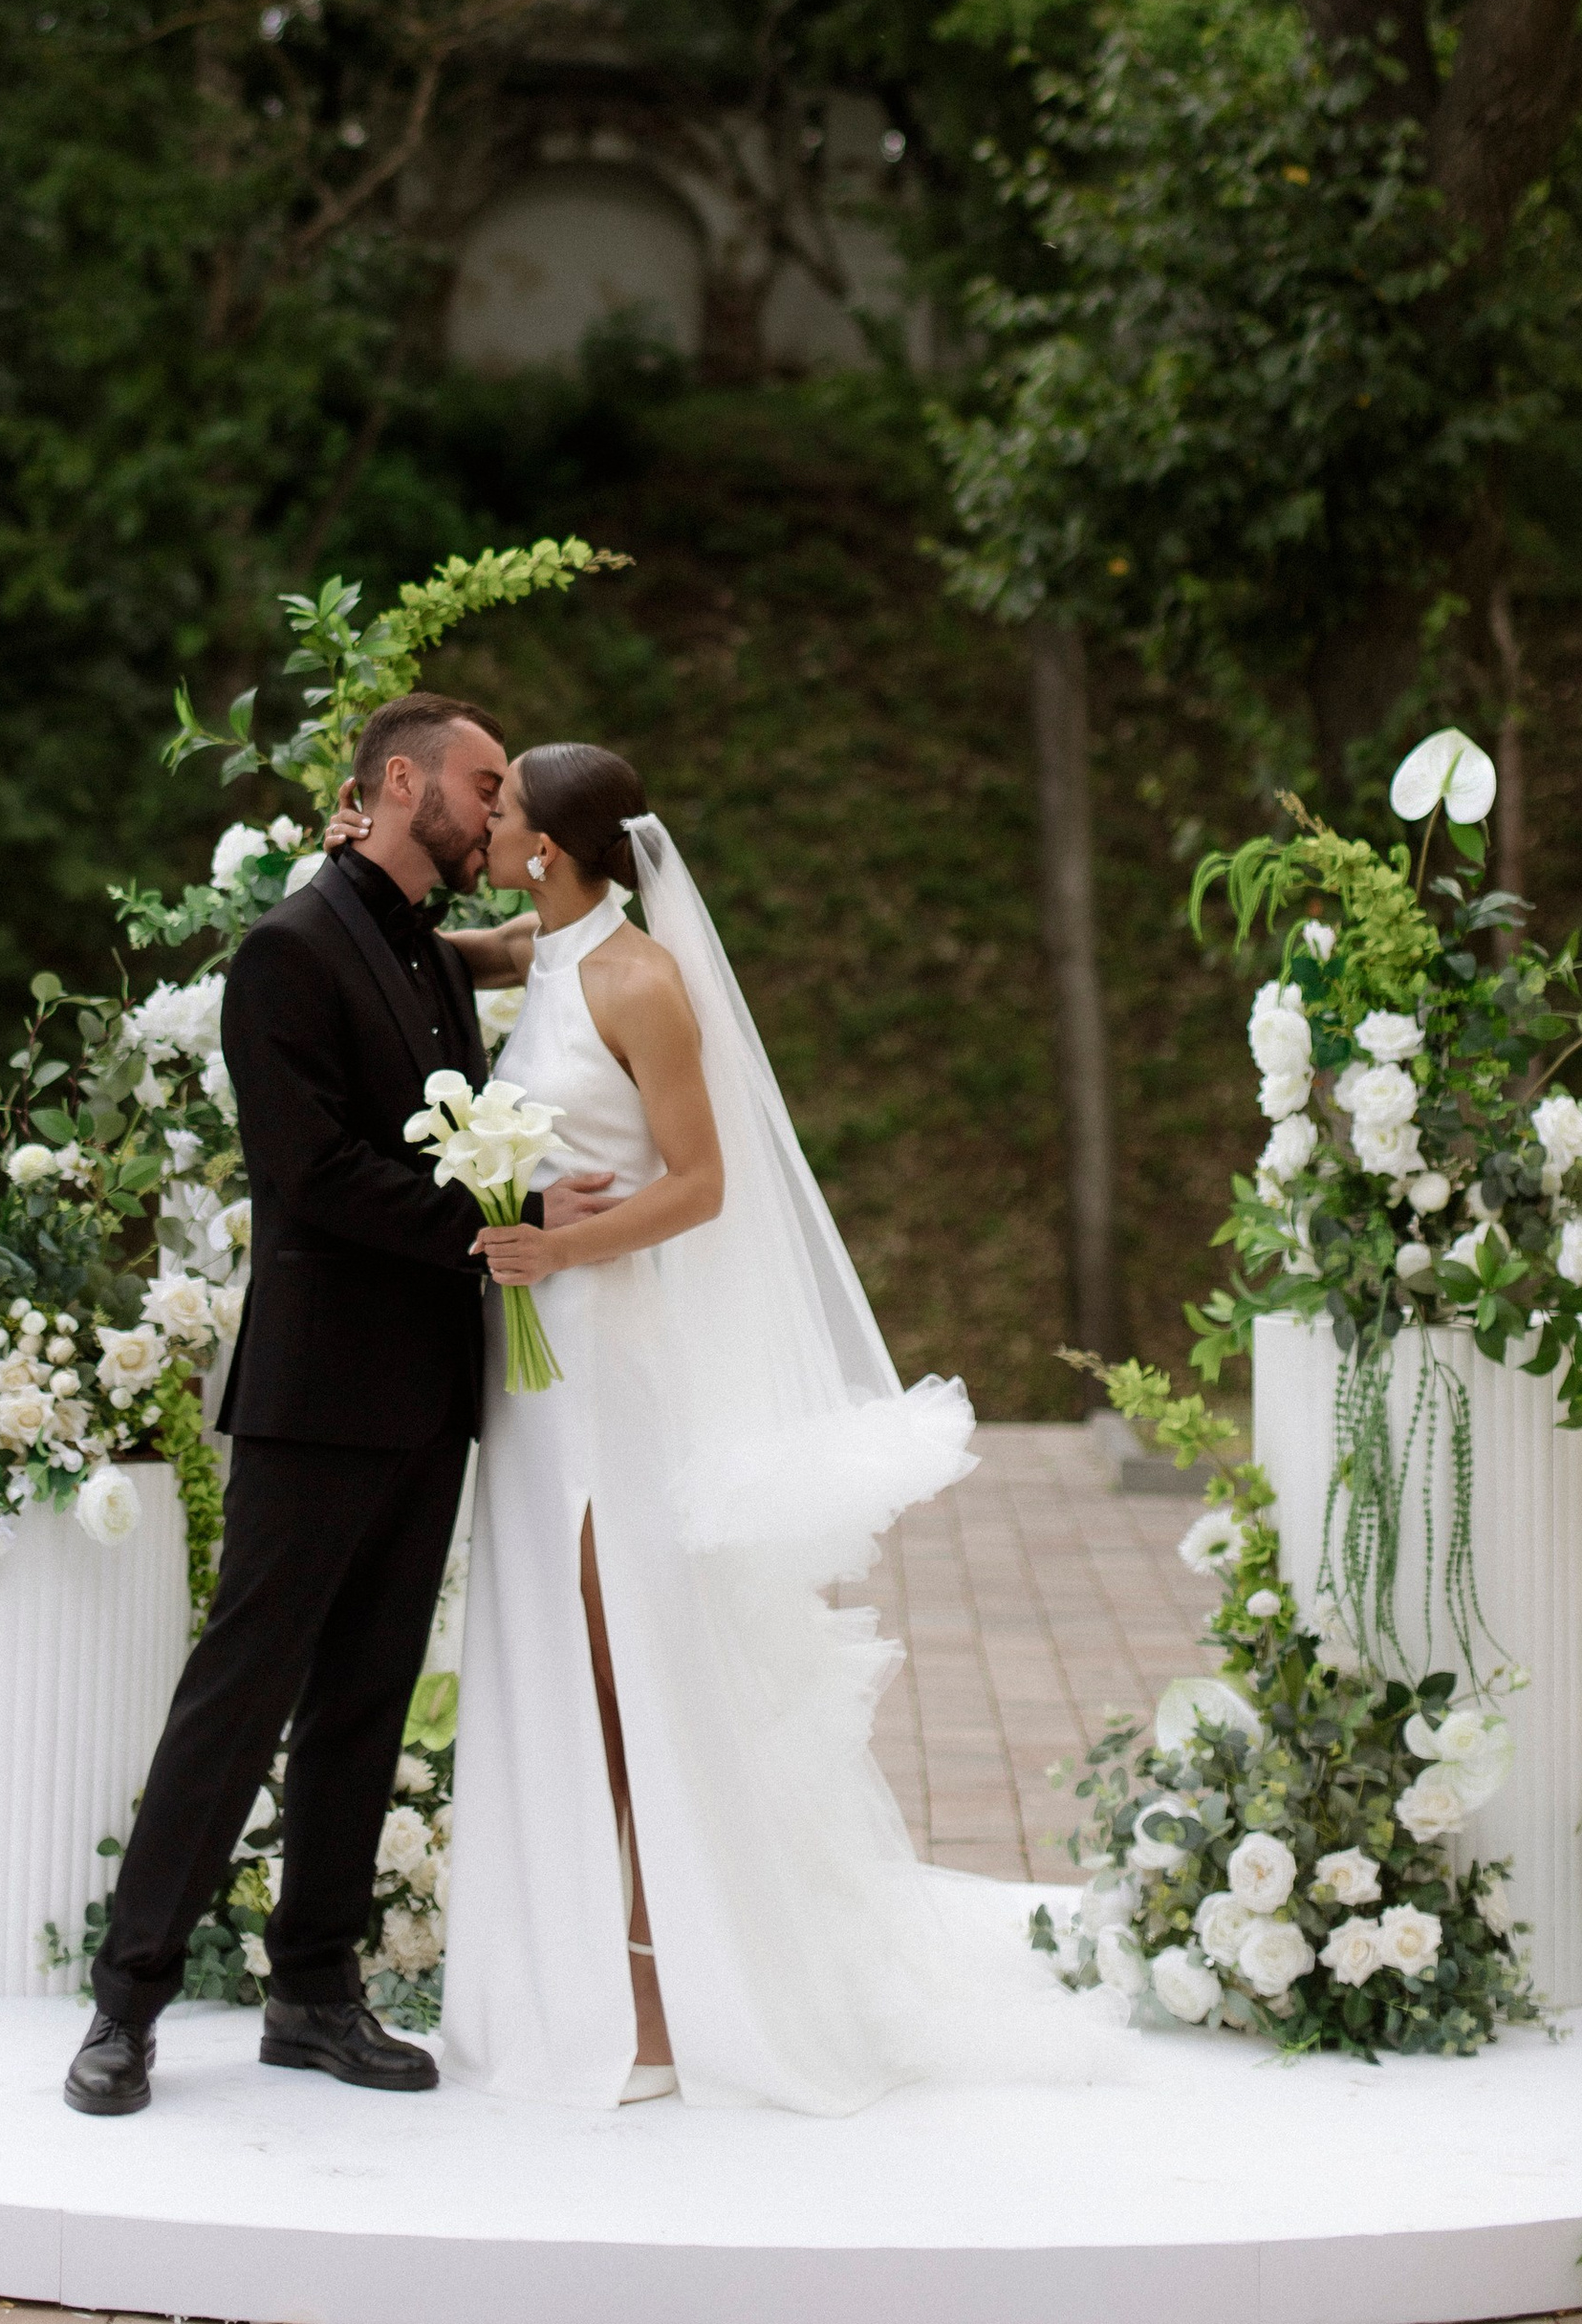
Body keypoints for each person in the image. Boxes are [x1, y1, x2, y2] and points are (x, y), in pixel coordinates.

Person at [354, 739, 1102, 2112]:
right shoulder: (553, 940)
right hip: (534, 1366)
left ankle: (658, 1994)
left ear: (555, 842)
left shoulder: (642, 977)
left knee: (629, 1645)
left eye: (506, 804)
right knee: (554, 1649)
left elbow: (699, 1186)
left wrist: (554, 1253)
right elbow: (470, 950)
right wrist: (351, 883)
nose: (490, 814)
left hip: (609, 1354)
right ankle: (554, 1967)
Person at [64, 690, 619, 2118]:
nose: (497, 806)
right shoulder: (288, 951)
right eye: (481, 781)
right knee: (240, 1696)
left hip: (433, 1390)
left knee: (367, 1700)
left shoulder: (427, 951)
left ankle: (315, 1987)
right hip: (318, 1394)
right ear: (397, 780)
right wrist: (501, 1213)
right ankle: (126, 2003)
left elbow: (544, 945)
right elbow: (307, 1175)